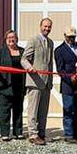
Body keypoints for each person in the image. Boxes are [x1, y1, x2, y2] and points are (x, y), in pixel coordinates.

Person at [21, 18, 54, 146]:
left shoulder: (50, 42)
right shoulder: (33, 40)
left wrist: (50, 80)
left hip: (46, 82)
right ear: (40, 26)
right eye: (45, 26)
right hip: (35, 80)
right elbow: (24, 59)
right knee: (33, 109)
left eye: (49, 27)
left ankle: (41, 133)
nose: (47, 29)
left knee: (43, 110)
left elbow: (50, 63)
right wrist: (29, 67)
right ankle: (33, 134)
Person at [55, 26, 77, 143]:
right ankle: (68, 134)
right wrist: (70, 78)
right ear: (64, 36)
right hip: (68, 85)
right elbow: (60, 69)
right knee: (68, 109)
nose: (71, 39)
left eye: (73, 36)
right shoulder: (59, 50)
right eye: (69, 37)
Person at [0, 30, 25, 141]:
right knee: (4, 111)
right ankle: (5, 133)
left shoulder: (22, 51)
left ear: (17, 39)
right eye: (9, 37)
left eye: (13, 37)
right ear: (6, 39)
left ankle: (18, 132)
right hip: (5, 86)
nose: (11, 39)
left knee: (18, 110)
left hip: (19, 85)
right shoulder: (1, 52)